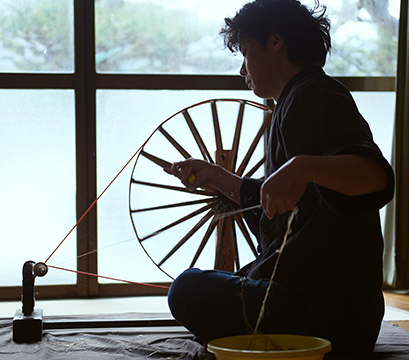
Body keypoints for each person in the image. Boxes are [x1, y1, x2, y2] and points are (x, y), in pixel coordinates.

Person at [165, 0, 395, 356]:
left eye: (245, 53)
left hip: (327, 313)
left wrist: (304, 166)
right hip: (333, 312)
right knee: (223, 281)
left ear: (276, 41)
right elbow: (285, 207)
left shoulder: (315, 96)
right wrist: (217, 177)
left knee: (187, 288)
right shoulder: (294, 99)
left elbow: (376, 177)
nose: (243, 70)